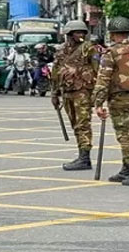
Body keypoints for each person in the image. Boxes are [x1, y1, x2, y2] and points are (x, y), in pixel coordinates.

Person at [93, 16, 129, 186]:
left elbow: (103, 78)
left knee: (125, 135)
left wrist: (98, 103)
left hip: (119, 98)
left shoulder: (111, 53)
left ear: (112, 34)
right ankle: (127, 168)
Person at [51, 20, 99, 171]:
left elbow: (98, 70)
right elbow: (55, 73)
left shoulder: (89, 49)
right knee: (75, 124)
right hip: (67, 91)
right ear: (69, 35)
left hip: (83, 91)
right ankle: (81, 154)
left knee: (83, 124)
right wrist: (54, 93)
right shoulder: (61, 50)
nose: (80, 35)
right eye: (77, 32)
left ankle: (85, 158)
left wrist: (98, 94)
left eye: (82, 32)